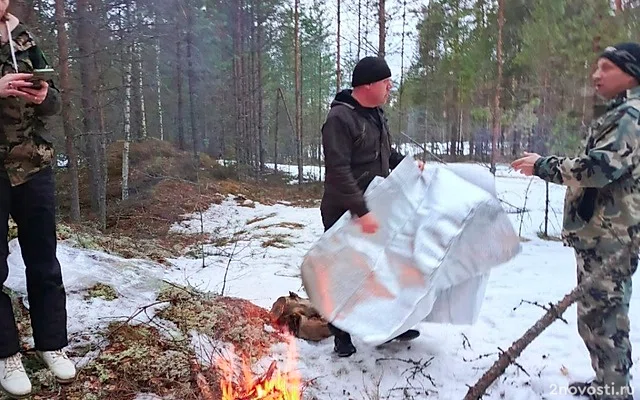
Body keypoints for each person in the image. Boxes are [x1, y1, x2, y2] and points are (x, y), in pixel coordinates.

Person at [511, 43, 640, 400]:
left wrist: (543, 165)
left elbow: (598, 169)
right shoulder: (618, 113)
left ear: (631, 73)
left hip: (611, 237)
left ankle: (615, 392)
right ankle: (608, 384)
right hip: (601, 232)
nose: (596, 75)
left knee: (606, 317)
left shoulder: (631, 116)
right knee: (596, 316)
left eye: (606, 68)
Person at [320, 55, 423, 357]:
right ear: (367, 85)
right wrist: (360, 211)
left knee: (386, 266)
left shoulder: (376, 113)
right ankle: (342, 336)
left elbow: (384, 152)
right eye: (386, 82)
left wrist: (407, 165)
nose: (390, 87)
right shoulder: (339, 120)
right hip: (344, 210)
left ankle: (389, 326)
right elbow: (337, 172)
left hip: (376, 204)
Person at [0, 3, 76, 398]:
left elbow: (56, 101)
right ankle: (6, 354)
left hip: (33, 165)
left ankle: (52, 344)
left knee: (44, 261)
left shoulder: (24, 37)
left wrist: (45, 95)